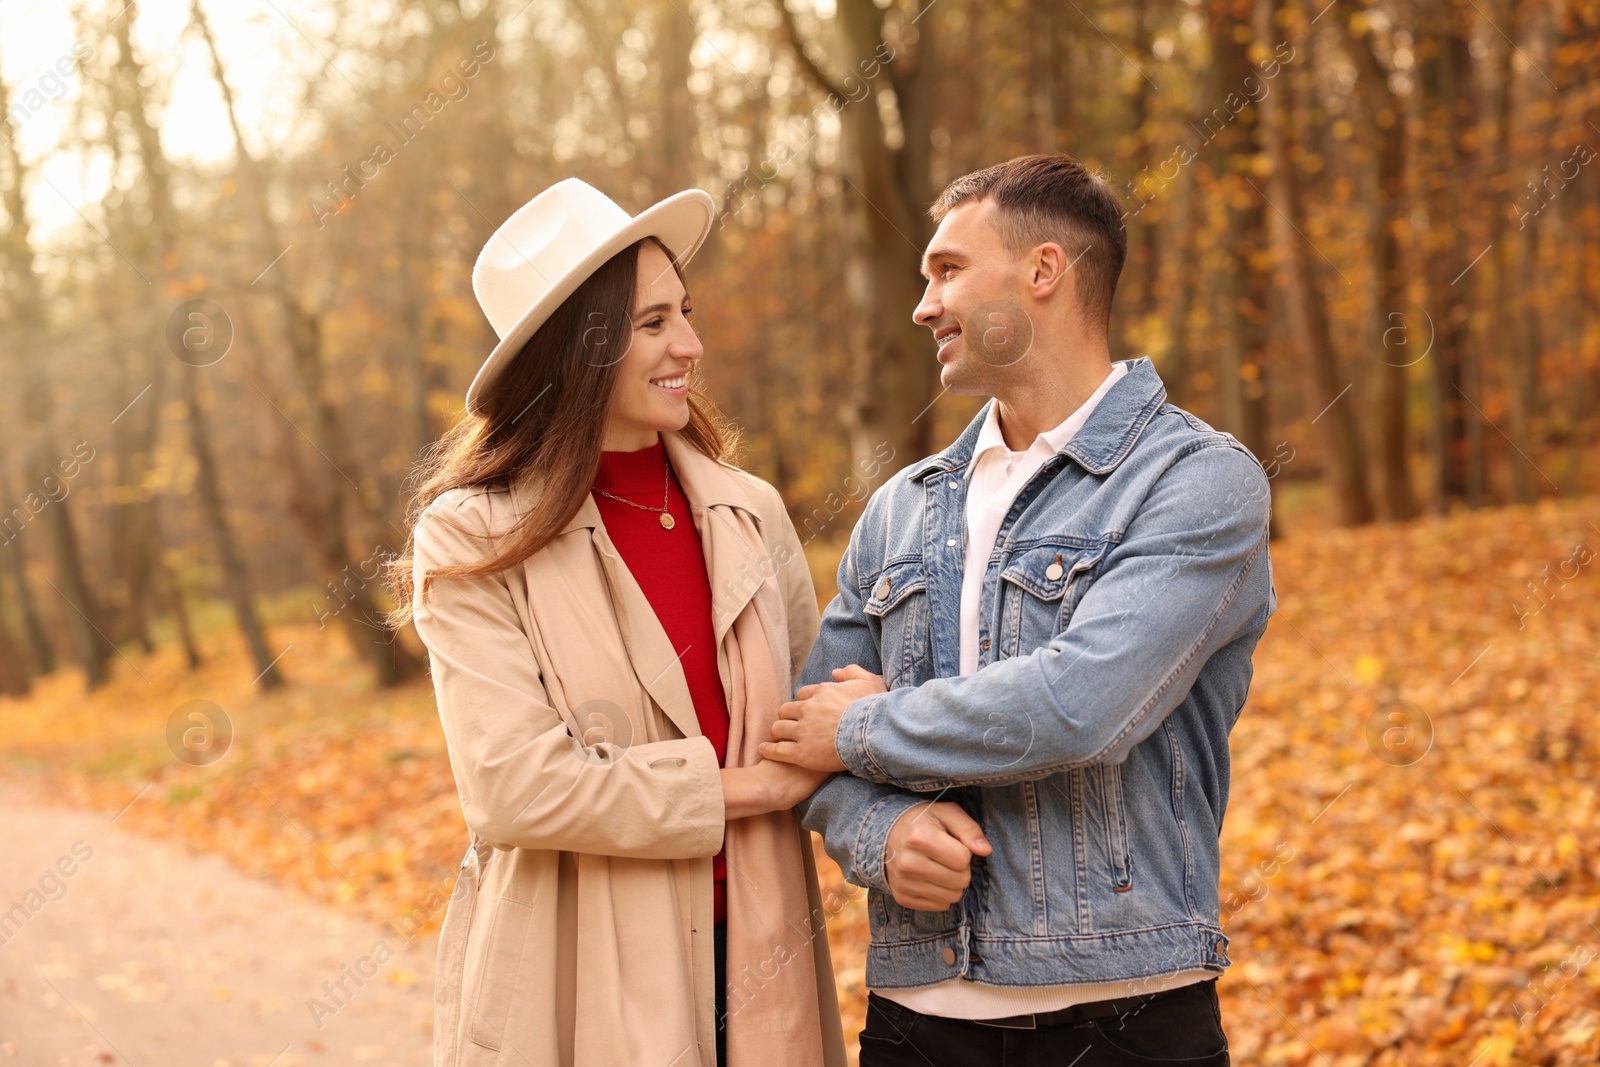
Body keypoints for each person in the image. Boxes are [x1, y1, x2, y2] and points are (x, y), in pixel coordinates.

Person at [761, 154, 1276, 1065]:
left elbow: (1082, 706)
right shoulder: (902, 507)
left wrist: (863, 728)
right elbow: (804, 733)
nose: (923, 306)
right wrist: (883, 831)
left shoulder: (1196, 480)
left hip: (1126, 1017)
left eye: (948, 270)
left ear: (1044, 272)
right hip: (915, 1021)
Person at [389, 178, 846, 1067]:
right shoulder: (472, 537)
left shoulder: (748, 511)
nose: (692, 344)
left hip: (761, 962)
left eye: (685, 311)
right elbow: (512, 785)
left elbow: (814, 714)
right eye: (653, 324)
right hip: (574, 981)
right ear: (578, 349)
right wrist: (742, 788)